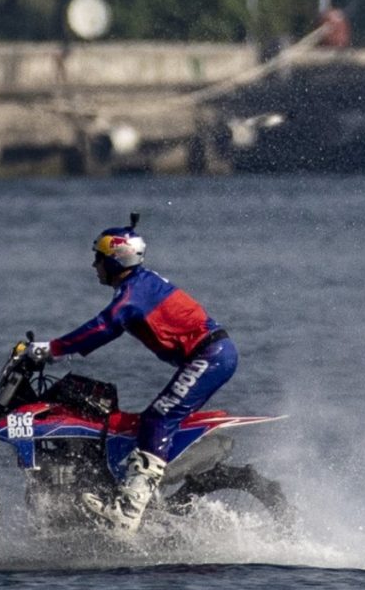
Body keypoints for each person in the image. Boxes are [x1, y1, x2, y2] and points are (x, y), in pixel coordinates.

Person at [23, 217, 236, 541]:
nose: (94, 264)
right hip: (209, 355)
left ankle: (129, 510)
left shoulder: (134, 293)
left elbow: (102, 328)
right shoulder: (136, 286)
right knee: (148, 418)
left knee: (159, 416)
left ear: (114, 259)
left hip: (210, 356)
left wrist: (50, 349)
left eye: (98, 257)